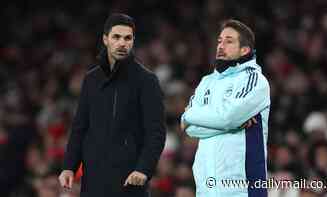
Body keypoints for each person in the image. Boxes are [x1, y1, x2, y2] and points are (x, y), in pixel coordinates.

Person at [58, 13, 166, 197]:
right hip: (93, 180)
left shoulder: (146, 81)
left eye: (127, 38)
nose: (122, 43)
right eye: (116, 37)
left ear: (133, 41)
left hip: (130, 180)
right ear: (105, 39)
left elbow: (156, 133)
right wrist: (69, 166)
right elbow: (80, 127)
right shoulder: (91, 79)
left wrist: (143, 169)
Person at [181, 19, 270, 197]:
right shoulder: (206, 82)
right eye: (220, 41)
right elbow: (189, 129)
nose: (221, 46)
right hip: (206, 187)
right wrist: (231, 125)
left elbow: (227, 117)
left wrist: (190, 114)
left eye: (229, 41)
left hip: (242, 187)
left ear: (244, 50)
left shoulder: (254, 79)